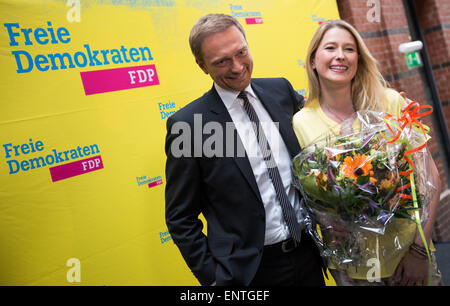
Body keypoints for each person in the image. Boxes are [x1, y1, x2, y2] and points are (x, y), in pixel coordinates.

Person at [165, 14, 325, 286]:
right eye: (222, 61)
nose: (238, 67)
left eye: (241, 52)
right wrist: (213, 278)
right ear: (202, 66)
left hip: (307, 255)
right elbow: (180, 216)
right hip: (249, 274)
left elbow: (322, 125)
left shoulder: (280, 91)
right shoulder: (190, 125)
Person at [293, 19, 443, 286]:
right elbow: (314, 190)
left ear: (359, 60)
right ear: (313, 61)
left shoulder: (390, 102)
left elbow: (429, 177)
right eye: (330, 47)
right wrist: (326, 219)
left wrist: (419, 251)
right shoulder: (302, 121)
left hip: (409, 256)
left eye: (349, 49)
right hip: (354, 266)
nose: (341, 55)